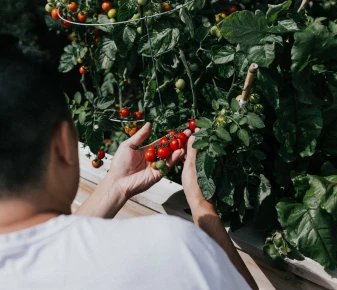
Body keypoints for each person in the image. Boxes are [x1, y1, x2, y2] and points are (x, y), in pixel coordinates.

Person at [0, 37, 258, 290]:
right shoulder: (172, 249)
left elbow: (48, 247)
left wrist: (115, 185)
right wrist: (202, 209)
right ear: (62, 145)